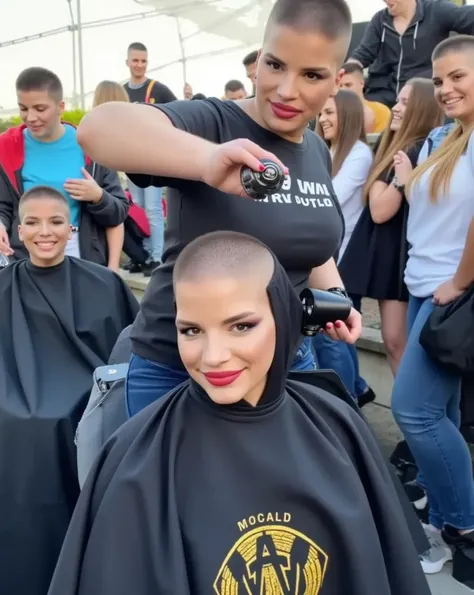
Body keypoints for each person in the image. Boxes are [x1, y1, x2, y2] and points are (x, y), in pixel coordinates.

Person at [48, 231, 431, 595]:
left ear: (282, 317)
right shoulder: (136, 458)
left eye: (241, 326)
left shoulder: (339, 429)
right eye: (192, 331)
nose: (213, 356)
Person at [77, 0, 364, 417]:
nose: (287, 90)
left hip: (285, 365)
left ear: (336, 80)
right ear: (259, 59)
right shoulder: (214, 123)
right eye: (276, 65)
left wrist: (336, 297)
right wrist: (207, 161)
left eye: (312, 75)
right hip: (180, 369)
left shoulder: (316, 149)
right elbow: (97, 129)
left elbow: (312, 243)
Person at [0, 185, 138, 595]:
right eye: (34, 223)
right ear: (19, 230)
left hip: (89, 408)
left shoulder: (104, 284)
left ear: (72, 227)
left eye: (56, 222)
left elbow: (131, 351)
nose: (46, 232)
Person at [391, 35, 474, 582]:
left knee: (413, 409)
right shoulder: (445, 138)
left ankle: (463, 530)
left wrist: (459, 282)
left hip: (451, 294)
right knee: (438, 415)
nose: (445, 88)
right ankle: (445, 529)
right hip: (425, 285)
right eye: (439, 79)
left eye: (458, 77)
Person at [339, 78, 444, 377]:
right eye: (397, 101)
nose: (395, 109)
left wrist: (399, 180)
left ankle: (412, 415)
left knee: (398, 342)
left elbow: (380, 210)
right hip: (397, 254)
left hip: (404, 255)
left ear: (422, 109)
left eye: (405, 103)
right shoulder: (398, 148)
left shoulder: (418, 149)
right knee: (396, 342)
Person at [0, 68, 129, 268]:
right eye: (23, 109)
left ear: (60, 106)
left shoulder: (91, 147)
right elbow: (4, 206)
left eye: (40, 109)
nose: (31, 117)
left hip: (82, 257)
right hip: (25, 257)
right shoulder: (7, 148)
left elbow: (118, 212)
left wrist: (98, 197)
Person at [316, 89, 374, 405]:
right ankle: (357, 389)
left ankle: (345, 403)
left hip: (342, 263)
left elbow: (326, 200)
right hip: (327, 259)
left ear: (348, 115)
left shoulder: (359, 153)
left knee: (332, 339)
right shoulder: (329, 151)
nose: (322, 119)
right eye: (321, 113)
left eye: (329, 113)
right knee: (338, 338)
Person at [347, 0, 474, 108]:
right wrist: (345, 73)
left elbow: (469, 17)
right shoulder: (379, 20)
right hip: (381, 96)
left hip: (419, 97)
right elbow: (363, 54)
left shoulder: (436, 11)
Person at [123, 42, 177, 274]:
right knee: (138, 207)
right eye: (135, 60)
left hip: (153, 158)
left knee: (154, 207)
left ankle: (157, 256)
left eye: (143, 61)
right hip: (131, 160)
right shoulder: (121, 91)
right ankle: (144, 255)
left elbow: (179, 111)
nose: (139, 65)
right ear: (127, 62)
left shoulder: (158, 89)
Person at [340, 62, 391, 133]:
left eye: (348, 85)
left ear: (362, 83)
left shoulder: (381, 111)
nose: (343, 90)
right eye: (340, 86)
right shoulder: (332, 112)